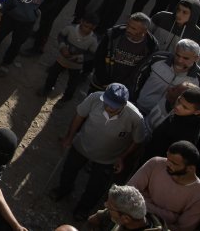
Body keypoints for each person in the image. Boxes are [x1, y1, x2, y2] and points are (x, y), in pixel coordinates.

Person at [52, 83, 145, 218]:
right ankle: (63, 190)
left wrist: (122, 157)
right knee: (68, 170)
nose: (108, 107)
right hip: (82, 146)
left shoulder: (136, 118)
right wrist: (69, 137)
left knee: (96, 186)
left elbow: (137, 140)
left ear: (124, 105)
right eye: (107, 103)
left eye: (114, 106)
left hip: (108, 158)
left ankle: (83, 208)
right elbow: (79, 116)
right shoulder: (95, 98)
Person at [127, 140, 200, 231]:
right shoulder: (155, 163)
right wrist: (170, 216)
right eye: (168, 159)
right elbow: (129, 192)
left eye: (174, 164)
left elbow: (181, 229)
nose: (168, 164)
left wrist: (144, 204)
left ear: (190, 168)